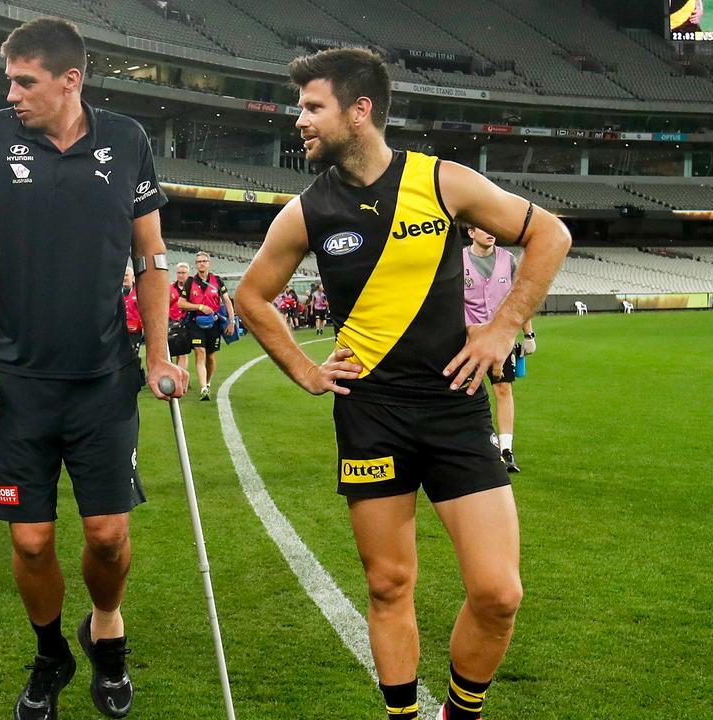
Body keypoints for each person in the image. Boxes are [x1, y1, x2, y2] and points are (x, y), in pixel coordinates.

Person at [235, 48, 569, 720]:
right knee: (388, 585)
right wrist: (304, 370)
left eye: (312, 106)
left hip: (452, 410)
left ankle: (460, 711)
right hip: (370, 414)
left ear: (359, 111)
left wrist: (502, 327)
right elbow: (251, 297)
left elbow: (549, 235)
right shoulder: (307, 211)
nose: (298, 119)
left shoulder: (443, 182)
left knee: (498, 592)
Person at [0, 17, 186, 720]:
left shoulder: (127, 140)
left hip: (102, 378)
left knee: (108, 538)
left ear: (69, 80)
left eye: (25, 81)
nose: (11, 93)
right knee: (30, 541)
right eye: (9, 80)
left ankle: (105, 628)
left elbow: (150, 254)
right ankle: (51, 649)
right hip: (16, 382)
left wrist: (158, 353)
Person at [462, 223, 537, 473]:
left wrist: (529, 334)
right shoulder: (458, 261)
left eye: (491, 227)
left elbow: (520, 300)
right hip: (468, 340)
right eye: (481, 228)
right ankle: (473, 448)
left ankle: (506, 450)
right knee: (468, 392)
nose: (490, 231)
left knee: (503, 389)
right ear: (471, 233)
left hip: (501, 338)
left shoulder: (508, 260)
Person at [177, 251, 235, 401]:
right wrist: (200, 307)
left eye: (204, 261)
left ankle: (207, 383)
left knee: (210, 356)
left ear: (209, 263)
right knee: (200, 353)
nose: (201, 263)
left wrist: (231, 321)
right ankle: (203, 388)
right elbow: (181, 303)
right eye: (199, 262)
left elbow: (227, 301)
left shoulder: (217, 281)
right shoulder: (190, 282)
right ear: (196, 265)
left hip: (214, 324)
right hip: (196, 323)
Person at [167, 262, 192, 381]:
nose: (181, 275)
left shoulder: (192, 288)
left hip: (186, 322)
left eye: (183, 273)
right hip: (171, 322)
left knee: (183, 352)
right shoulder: (169, 289)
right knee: (171, 351)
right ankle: (172, 375)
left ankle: (181, 377)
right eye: (179, 273)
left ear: (188, 274)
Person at [123, 264, 143, 355]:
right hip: (119, 331)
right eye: (123, 275)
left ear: (132, 277)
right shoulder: (116, 293)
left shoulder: (139, 292)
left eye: (126, 275)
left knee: (133, 354)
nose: (124, 278)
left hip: (135, 331)